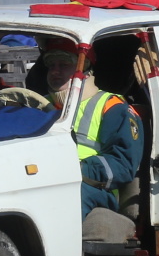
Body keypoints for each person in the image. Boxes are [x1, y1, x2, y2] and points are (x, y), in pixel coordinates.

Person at [40, 45, 144, 222]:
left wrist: (77, 169)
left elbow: (123, 164)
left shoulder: (112, 106)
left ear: (85, 69)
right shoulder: (39, 105)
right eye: (51, 66)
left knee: (64, 196)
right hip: (41, 179)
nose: (55, 71)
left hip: (92, 187)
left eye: (63, 65)